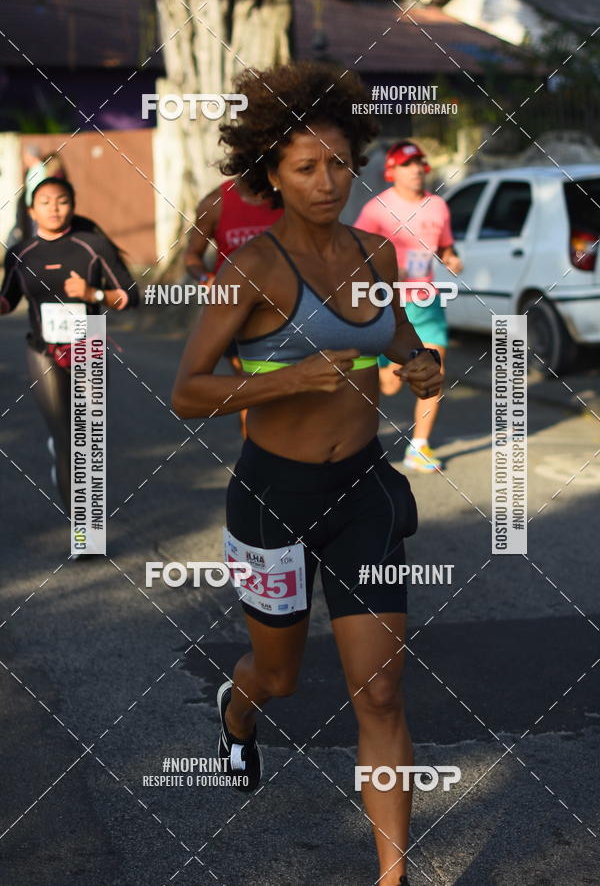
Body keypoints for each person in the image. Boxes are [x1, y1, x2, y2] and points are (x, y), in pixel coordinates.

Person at [172, 61, 442, 886]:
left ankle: (392, 877)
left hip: (361, 491)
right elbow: (187, 390)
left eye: (336, 162)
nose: (326, 181)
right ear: (272, 176)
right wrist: (288, 378)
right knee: (280, 676)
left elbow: (399, 343)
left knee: (383, 693)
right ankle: (237, 707)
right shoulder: (252, 272)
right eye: (304, 167)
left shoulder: (375, 252)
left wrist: (423, 364)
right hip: (273, 496)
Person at [0, 177, 139, 516]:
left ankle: (88, 526)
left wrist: (94, 294)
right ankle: (84, 526)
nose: (54, 208)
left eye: (61, 201)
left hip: (87, 344)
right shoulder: (20, 253)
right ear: (32, 210)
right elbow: (7, 300)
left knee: (87, 440)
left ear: (73, 205)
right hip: (43, 350)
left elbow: (130, 296)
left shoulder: (92, 246)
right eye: (45, 202)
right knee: (67, 440)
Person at [354, 140, 463, 473]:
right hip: (388, 303)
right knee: (388, 383)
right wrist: (385, 271)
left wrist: (452, 259)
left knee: (433, 370)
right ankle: (361, 436)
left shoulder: (438, 206)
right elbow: (354, 253)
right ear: (392, 171)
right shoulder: (376, 209)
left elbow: (446, 247)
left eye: (419, 163)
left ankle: (420, 446)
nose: (416, 169)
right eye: (407, 164)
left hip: (426, 301)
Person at [184, 177, 283, 437]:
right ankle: (255, 455)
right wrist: (207, 278)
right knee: (252, 387)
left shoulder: (286, 195)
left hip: (287, 308)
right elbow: (192, 255)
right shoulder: (215, 202)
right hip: (235, 311)